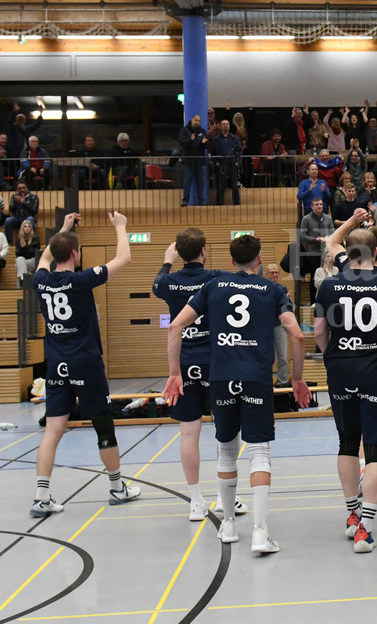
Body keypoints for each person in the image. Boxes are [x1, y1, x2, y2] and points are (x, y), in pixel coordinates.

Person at [164, 235, 311, 553]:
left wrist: (175, 373)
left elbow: (174, 327)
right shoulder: (272, 290)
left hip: (221, 378)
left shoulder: (213, 287)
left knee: (226, 450)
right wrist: (297, 379)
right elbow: (296, 335)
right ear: (259, 260)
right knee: (258, 451)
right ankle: (260, 532)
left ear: (231, 261)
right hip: (255, 378)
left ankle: (228, 525)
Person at [31, 211, 141, 517]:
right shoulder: (80, 281)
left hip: (56, 364)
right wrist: (121, 227)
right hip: (85, 362)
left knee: (53, 429)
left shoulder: (41, 281)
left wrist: (61, 232)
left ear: (56, 254)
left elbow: (42, 261)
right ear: (76, 254)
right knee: (102, 424)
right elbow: (124, 259)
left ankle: (41, 496)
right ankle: (118, 488)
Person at [314, 228, 377, 553]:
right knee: (375, 448)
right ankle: (365, 530)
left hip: (341, 369)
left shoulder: (329, 285)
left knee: (346, 442)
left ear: (349, 253)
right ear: (375, 253)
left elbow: (319, 330)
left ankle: (352, 516)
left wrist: (334, 354)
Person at [153, 229, 247, 520]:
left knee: (188, 433)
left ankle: (195, 502)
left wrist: (168, 261)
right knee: (225, 430)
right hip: (216, 362)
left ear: (179, 253)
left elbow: (157, 283)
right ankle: (224, 496)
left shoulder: (168, 282)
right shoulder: (216, 279)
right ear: (204, 250)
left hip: (184, 365)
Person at [262, 263, 292, 388]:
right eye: (272, 272)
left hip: (279, 326)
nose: (274, 275)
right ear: (266, 274)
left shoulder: (282, 288)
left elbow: (288, 309)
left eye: (276, 272)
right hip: (266, 326)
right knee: (266, 357)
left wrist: (287, 300)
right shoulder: (262, 288)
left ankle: (282, 382)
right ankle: (266, 381)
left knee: (283, 356)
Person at [210, 118, 242, 206]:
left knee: (234, 186)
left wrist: (238, 162)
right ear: (220, 126)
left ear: (229, 126)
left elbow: (240, 151)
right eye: (223, 124)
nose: (225, 126)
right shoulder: (216, 139)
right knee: (220, 186)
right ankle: (219, 204)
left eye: (227, 124)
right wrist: (216, 161)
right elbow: (212, 152)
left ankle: (237, 203)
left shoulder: (234, 138)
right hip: (221, 165)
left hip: (232, 164)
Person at [179, 115, 209, 207]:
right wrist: (190, 140)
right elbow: (182, 143)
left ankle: (201, 200)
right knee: (187, 181)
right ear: (191, 120)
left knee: (200, 182)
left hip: (199, 161)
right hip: (188, 161)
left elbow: (207, 145)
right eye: (196, 120)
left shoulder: (202, 131)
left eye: (199, 121)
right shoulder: (185, 130)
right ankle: (185, 200)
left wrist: (205, 143)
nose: (197, 122)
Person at [5, 180, 38, 244]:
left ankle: (32, 241)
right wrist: (17, 202)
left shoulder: (34, 197)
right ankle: (9, 243)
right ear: (17, 189)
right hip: (16, 218)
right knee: (8, 220)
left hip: (28, 218)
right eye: (20, 188)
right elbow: (11, 210)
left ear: (27, 188)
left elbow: (34, 210)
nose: (22, 190)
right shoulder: (14, 197)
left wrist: (23, 202)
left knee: (30, 219)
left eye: (24, 187)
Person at [14, 219, 40, 288]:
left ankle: (22, 281)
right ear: (22, 228)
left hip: (33, 261)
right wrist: (22, 248)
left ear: (31, 228)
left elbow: (35, 253)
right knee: (20, 260)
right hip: (22, 261)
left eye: (29, 226)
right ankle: (23, 280)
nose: (27, 228)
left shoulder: (35, 238)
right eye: (25, 226)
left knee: (20, 265)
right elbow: (17, 254)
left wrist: (25, 247)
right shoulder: (19, 239)